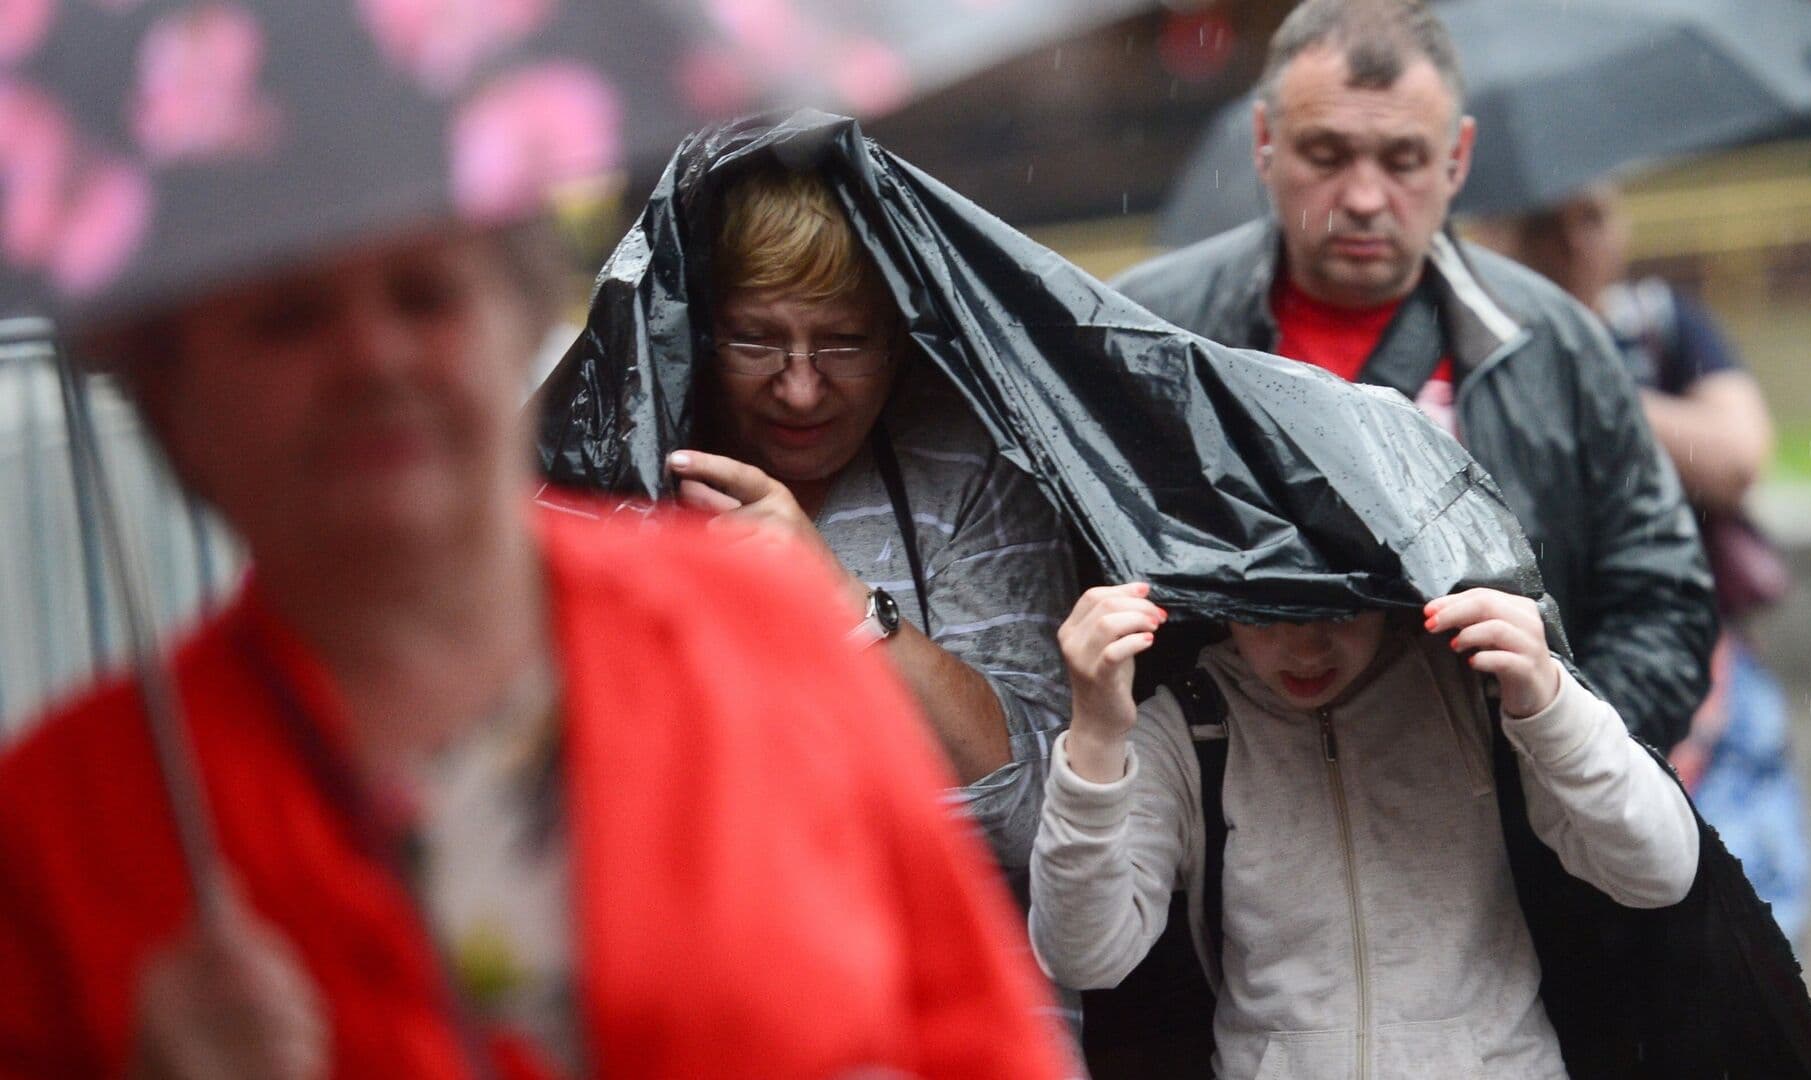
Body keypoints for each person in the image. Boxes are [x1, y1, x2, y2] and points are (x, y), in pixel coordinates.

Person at [0, 225, 1076, 1079]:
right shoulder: (67, 820)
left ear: (523, 319)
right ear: (168, 392)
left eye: (427, 295)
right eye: (289, 318)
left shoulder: (761, 629)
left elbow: (979, 1042)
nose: (372, 358)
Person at [1110, 0, 1715, 752]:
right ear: (1265, 142)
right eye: (1326, 156)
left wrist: (1561, 763)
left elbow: (1662, 595)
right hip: (1230, 834)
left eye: (1402, 161)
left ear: (1457, 158)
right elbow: (1085, 578)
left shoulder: (1552, 343)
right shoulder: (1147, 330)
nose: (1364, 199)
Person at [607, 165, 1078, 888]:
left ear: (899, 336)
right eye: (755, 341)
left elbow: (1033, 814)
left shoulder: (970, 467)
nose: (799, 389)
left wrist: (843, 604)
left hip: (949, 986)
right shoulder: (627, 475)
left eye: (845, 343)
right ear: (696, 333)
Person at [1030, 582, 1700, 1079]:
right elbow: (1086, 953)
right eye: (1268, 613)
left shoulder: (1477, 691)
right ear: (1220, 595)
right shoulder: (1193, 723)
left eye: (1339, 605)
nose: (1305, 645)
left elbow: (1661, 869)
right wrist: (1094, 733)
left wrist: (1549, 702)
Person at [1495, 182, 1811, 945]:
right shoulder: (1481, 353)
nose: (1574, 244)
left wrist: (1590, 378)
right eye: (1548, 224)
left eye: (1593, 218)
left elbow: (1737, 457)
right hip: (1556, 661)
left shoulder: (1662, 326)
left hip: (1704, 655)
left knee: (1747, 889)